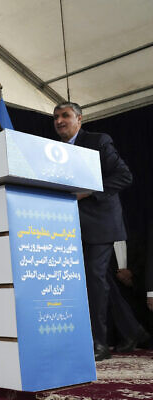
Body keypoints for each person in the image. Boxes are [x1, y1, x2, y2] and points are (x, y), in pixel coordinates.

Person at [53, 102, 132, 361]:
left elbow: (123, 176)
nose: (59, 120)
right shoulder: (53, 151)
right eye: (56, 117)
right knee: (89, 283)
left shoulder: (98, 141)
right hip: (67, 227)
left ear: (79, 119)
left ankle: (99, 345)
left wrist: (86, 192)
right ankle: (127, 333)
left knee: (94, 282)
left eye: (65, 115)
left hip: (100, 225)